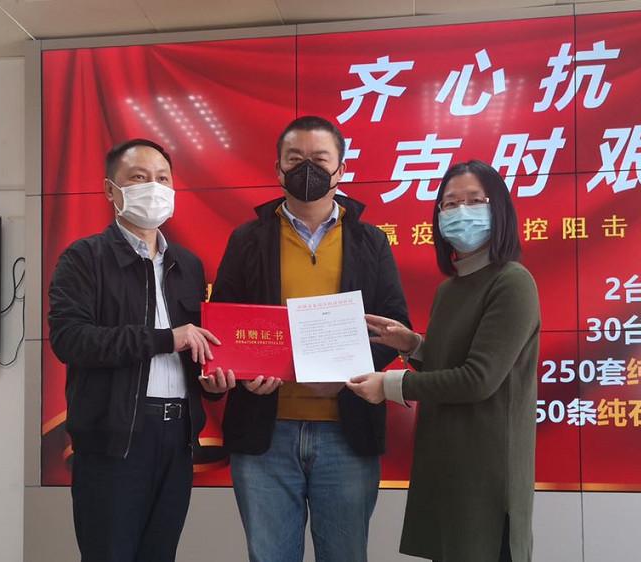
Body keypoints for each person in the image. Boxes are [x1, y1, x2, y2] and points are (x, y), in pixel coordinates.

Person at [211, 115, 411, 562]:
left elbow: (393, 325)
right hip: (265, 434)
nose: (307, 169)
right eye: (295, 159)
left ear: (340, 169)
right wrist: (244, 371)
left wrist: (348, 372)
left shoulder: (371, 241)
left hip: (347, 432)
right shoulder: (247, 240)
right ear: (278, 168)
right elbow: (224, 323)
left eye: (320, 160)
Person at [48, 138, 236, 562]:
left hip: (177, 438)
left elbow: (195, 347)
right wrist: (166, 338)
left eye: (162, 179)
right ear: (110, 190)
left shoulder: (187, 265)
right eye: (138, 178)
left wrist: (211, 383)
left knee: (160, 553)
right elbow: (70, 339)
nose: (154, 187)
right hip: (114, 438)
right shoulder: (84, 258)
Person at [347, 160, 541, 562]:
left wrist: (389, 385)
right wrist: (413, 345)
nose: (461, 212)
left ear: (499, 209)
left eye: (474, 201)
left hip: (487, 471)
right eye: (450, 204)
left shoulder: (512, 281)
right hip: (445, 463)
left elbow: (477, 379)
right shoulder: (449, 289)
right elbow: (448, 365)